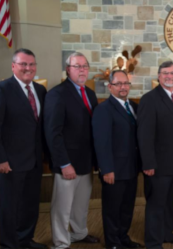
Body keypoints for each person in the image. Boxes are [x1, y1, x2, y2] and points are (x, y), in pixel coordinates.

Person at [0, 48, 47, 249]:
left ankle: (25, 240)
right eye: (23, 64)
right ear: (13, 66)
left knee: (30, 205)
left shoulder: (41, 90)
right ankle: (10, 244)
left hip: (34, 160)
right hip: (9, 162)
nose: (28, 68)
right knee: (10, 207)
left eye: (32, 64)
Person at [44, 52, 100, 249]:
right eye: (77, 66)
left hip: (86, 160)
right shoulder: (57, 94)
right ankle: (60, 241)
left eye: (85, 66)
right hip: (67, 162)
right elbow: (53, 133)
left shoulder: (90, 93)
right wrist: (64, 163)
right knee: (62, 206)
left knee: (80, 204)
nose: (82, 70)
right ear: (68, 69)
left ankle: (79, 233)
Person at [137, 61, 173, 249]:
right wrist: (148, 163)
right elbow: (144, 135)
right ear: (158, 76)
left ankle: (167, 234)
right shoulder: (149, 99)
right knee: (156, 205)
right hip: (156, 165)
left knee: (169, 203)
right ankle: (153, 242)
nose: (170, 76)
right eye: (165, 73)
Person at [92, 70, 142, 249]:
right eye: (118, 84)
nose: (123, 87)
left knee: (127, 207)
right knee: (112, 209)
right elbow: (101, 142)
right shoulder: (103, 109)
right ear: (110, 86)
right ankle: (113, 243)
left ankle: (123, 237)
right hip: (113, 169)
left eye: (126, 83)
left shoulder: (134, 107)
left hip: (131, 168)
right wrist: (106, 169)